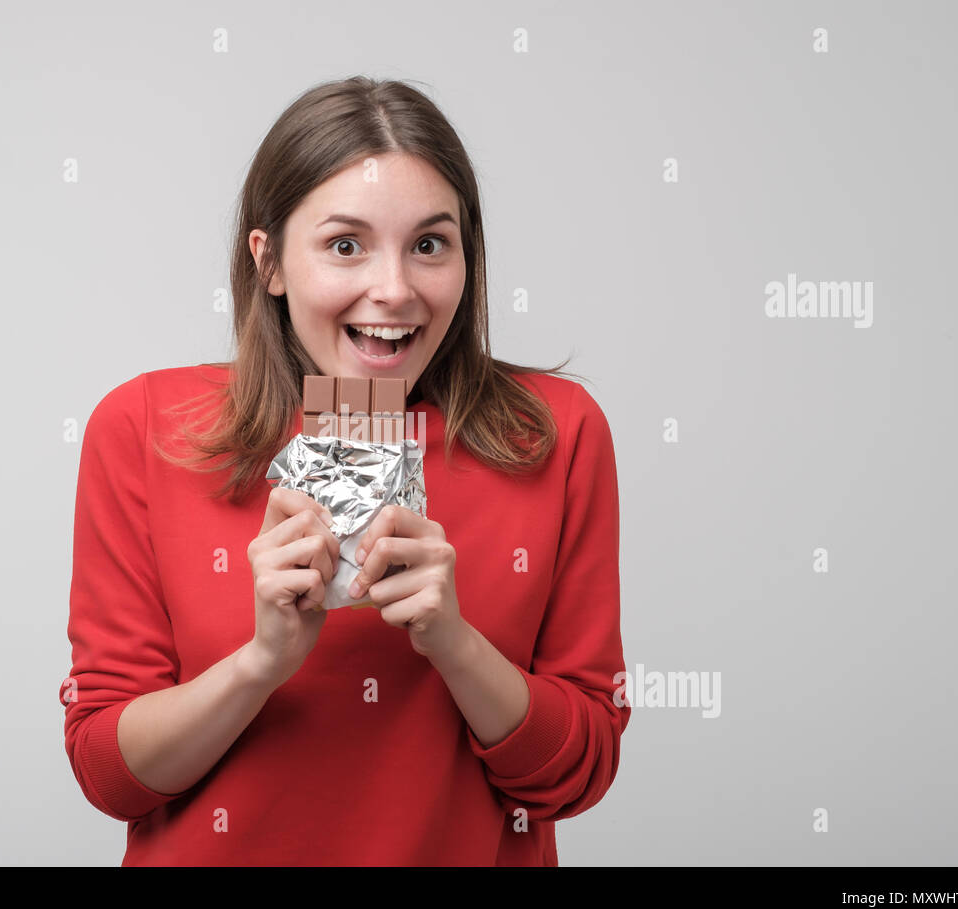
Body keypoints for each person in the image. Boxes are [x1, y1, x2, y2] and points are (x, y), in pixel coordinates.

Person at [61, 75, 630, 866]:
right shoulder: (145, 428)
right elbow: (109, 776)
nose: (393, 289)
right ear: (270, 263)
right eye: (344, 245)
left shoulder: (557, 433)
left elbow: (577, 774)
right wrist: (260, 665)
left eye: (430, 244)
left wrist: (454, 642)